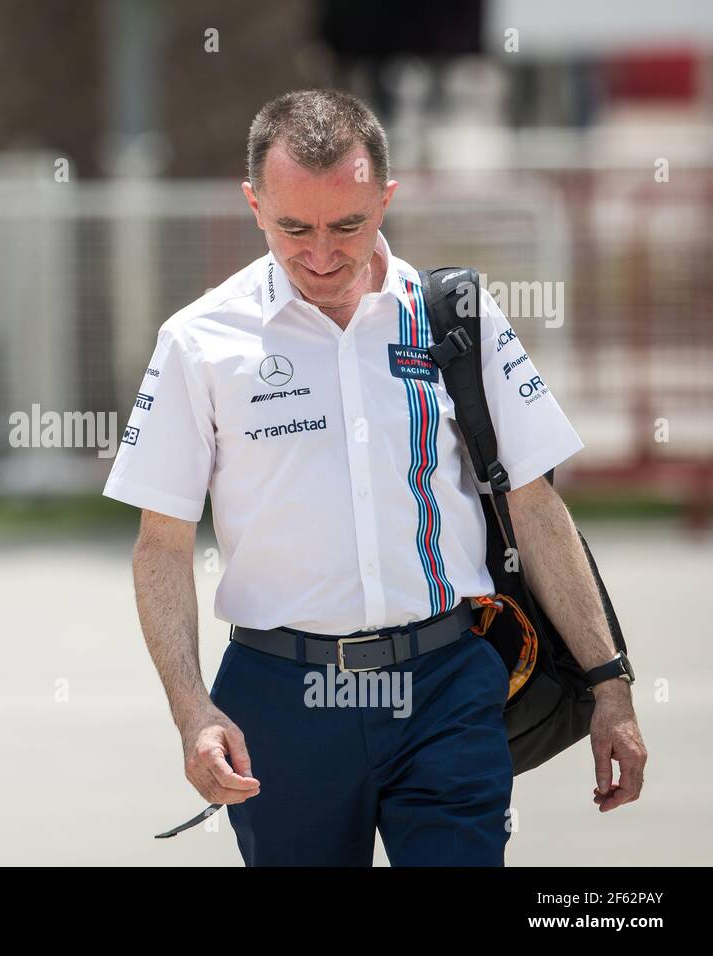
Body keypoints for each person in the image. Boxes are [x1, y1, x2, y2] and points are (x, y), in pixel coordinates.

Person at [102, 89, 647, 866]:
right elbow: (161, 545)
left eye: (348, 225)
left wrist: (611, 688)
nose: (321, 253)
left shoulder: (457, 316)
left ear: (386, 198)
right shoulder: (199, 342)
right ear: (254, 204)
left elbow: (535, 505)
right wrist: (193, 712)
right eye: (293, 227)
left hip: (448, 687)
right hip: (281, 702)